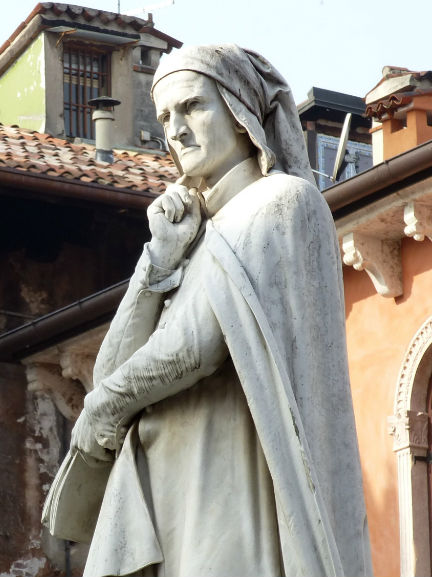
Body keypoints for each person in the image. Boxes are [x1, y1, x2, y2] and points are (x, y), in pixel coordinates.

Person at [65, 45, 372, 576]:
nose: (176, 130)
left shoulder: (279, 202)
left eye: (192, 108)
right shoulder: (195, 236)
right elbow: (109, 369)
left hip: (227, 495)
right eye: (164, 117)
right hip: (173, 497)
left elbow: (196, 346)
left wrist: (105, 408)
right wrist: (156, 263)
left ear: (239, 111)